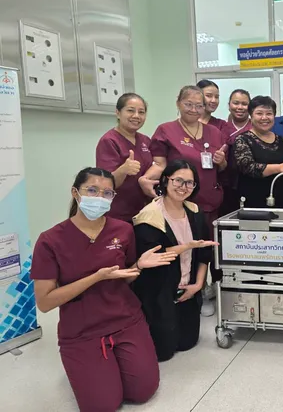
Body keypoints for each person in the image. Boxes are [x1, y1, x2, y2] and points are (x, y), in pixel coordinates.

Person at [31, 167, 177, 412]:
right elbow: (45, 303)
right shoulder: (50, 240)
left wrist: (138, 266)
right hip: (83, 329)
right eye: (92, 190)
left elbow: (124, 277)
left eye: (107, 193)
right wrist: (96, 277)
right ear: (75, 193)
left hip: (125, 319)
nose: (99, 197)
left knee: (143, 391)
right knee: (102, 405)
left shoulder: (123, 230)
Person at [139, 85, 226, 317]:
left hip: (209, 202)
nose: (194, 109)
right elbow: (159, 164)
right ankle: (183, 291)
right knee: (184, 248)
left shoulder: (214, 132)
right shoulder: (166, 130)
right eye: (189, 104)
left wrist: (221, 161)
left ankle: (205, 289)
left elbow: (221, 168)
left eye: (199, 105)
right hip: (179, 203)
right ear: (178, 103)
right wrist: (145, 179)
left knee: (208, 250)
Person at [133, 160, 218, 362]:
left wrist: (197, 285)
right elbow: (154, 256)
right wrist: (187, 246)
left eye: (190, 183)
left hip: (188, 289)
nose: (183, 187)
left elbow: (204, 254)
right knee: (163, 352)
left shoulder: (195, 212)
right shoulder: (149, 217)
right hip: (159, 292)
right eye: (178, 180)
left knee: (188, 343)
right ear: (165, 180)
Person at [95, 93, 154, 223]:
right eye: (130, 110)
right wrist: (123, 170)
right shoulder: (109, 141)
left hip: (146, 212)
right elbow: (105, 183)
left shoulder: (145, 140)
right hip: (119, 214)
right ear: (118, 113)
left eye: (141, 112)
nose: (136, 116)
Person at [234, 96, 283, 208]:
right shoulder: (243, 139)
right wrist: (279, 168)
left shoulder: (282, 141)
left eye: (269, 113)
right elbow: (248, 167)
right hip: (253, 202)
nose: (264, 118)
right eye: (259, 113)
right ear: (251, 115)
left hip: (282, 201)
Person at [220, 89, 252, 216]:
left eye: (244, 104)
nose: (240, 107)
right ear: (229, 105)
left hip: (250, 182)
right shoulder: (221, 127)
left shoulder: (255, 127)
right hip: (225, 183)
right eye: (236, 103)